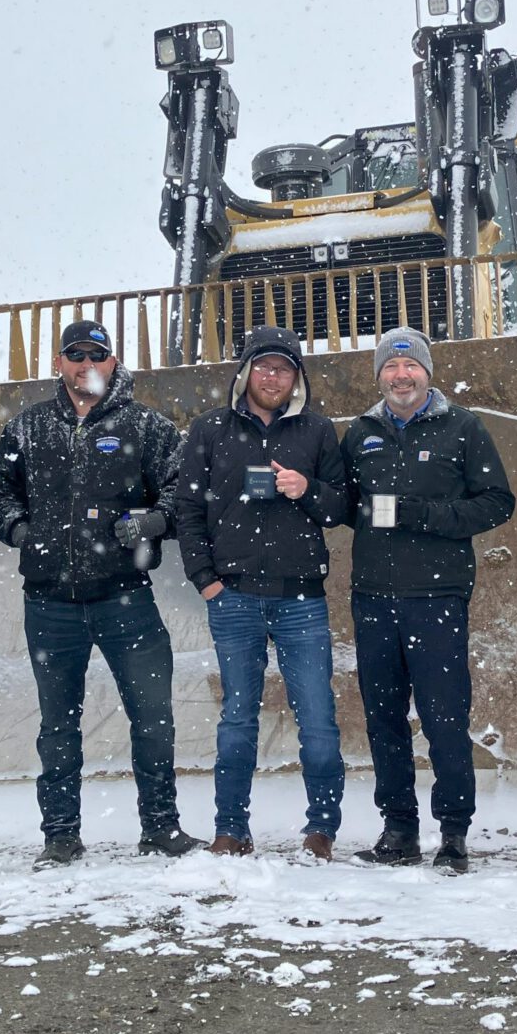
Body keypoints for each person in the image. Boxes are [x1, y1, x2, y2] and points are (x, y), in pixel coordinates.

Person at [0, 319, 200, 865]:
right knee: (57, 724)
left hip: (126, 598)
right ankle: (60, 834)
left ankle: (160, 826)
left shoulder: (146, 426)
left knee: (152, 717)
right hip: (50, 605)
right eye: (74, 355)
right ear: (58, 363)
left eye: (97, 356)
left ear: (113, 362)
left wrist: (153, 522)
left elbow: (183, 491)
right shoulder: (26, 429)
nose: (86, 365)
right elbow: (2, 497)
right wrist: (20, 531)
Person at [341, 327, 515, 872]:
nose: (400, 376)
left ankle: (454, 832)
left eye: (410, 366)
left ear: (427, 372)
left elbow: (497, 503)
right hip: (372, 598)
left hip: (437, 597)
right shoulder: (360, 434)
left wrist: (426, 515)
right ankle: (398, 827)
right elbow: (347, 505)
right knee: (383, 718)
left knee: (444, 717)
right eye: (390, 368)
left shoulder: (462, 428)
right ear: (378, 376)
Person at [175, 325, 348, 860]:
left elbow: (342, 508)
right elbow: (188, 509)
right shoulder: (210, 430)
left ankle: (321, 829)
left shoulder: (318, 432)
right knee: (237, 717)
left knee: (317, 716)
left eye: (284, 368)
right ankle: (231, 828)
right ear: (245, 372)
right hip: (235, 597)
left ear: (298, 376)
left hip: (302, 598)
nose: (273, 377)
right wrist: (206, 580)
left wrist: (307, 489)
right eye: (264, 366)